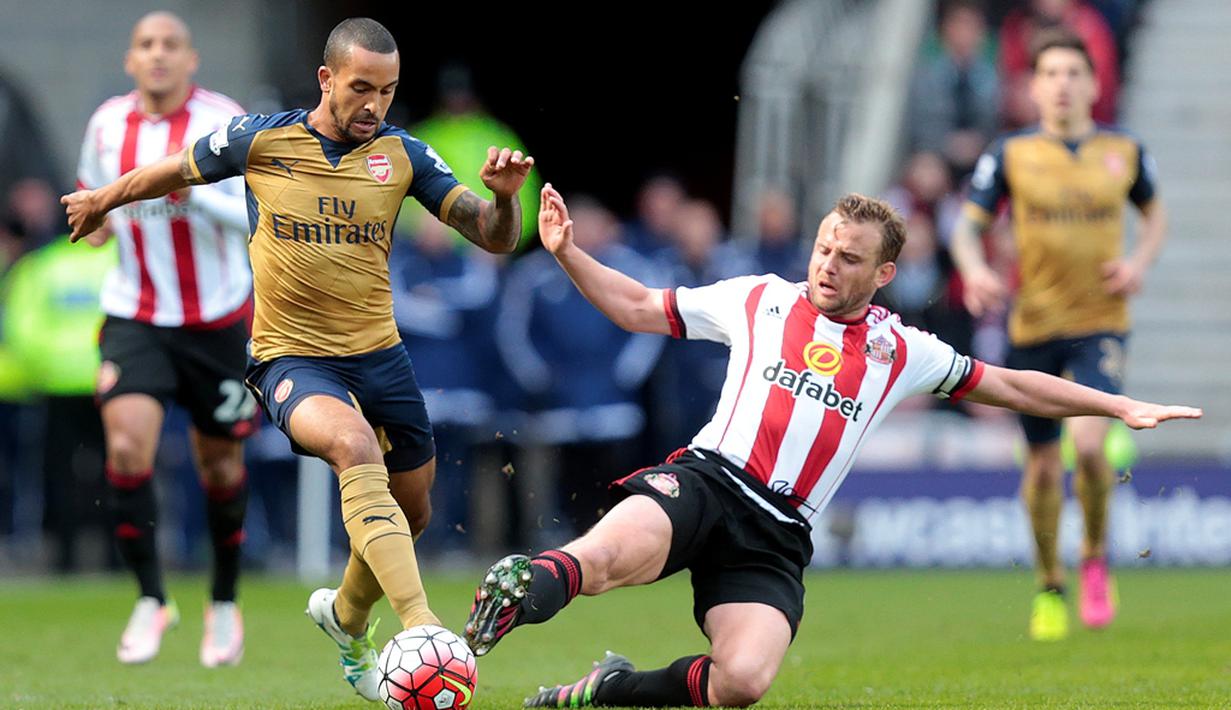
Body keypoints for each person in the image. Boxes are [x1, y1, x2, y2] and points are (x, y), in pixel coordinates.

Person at [462, 185, 1197, 708]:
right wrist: (564, 251)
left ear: (882, 274)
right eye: (822, 247)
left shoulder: (899, 349)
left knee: (741, 683)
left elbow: (1013, 386)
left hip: (778, 533)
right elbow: (634, 306)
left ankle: (612, 689)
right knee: (600, 559)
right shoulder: (757, 297)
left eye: (847, 257)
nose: (826, 264)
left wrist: (1117, 403)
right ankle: (512, 599)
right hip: (707, 481)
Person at [62, 17, 533, 700]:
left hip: (380, 359)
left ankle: (346, 618)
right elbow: (176, 167)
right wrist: (104, 198)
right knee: (350, 446)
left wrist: (504, 199)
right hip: (289, 360)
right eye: (361, 87)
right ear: (326, 79)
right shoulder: (263, 140)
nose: (374, 105)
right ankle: (421, 625)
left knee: (413, 511)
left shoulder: (403, 155)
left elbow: (491, 237)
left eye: (388, 90)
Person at [949, 29, 1167, 642]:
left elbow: (1155, 214)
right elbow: (968, 229)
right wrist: (974, 271)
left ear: (1095, 85)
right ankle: (1050, 580)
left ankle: (1095, 556)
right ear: (1034, 86)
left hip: (1101, 325)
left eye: (1075, 72)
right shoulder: (1011, 153)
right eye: (1052, 73)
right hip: (1032, 328)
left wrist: (1138, 265)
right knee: (1044, 468)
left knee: (1093, 448)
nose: (1064, 83)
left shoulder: (1124, 149)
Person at [73, 11, 255, 667]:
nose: (157, 55)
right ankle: (152, 599)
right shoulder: (106, 125)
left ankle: (224, 603)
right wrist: (94, 217)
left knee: (221, 467)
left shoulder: (223, 121)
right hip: (137, 313)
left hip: (218, 320)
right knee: (124, 446)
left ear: (191, 58)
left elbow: (251, 213)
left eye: (170, 44)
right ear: (130, 61)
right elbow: (93, 202)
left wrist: (182, 183)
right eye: (146, 45)